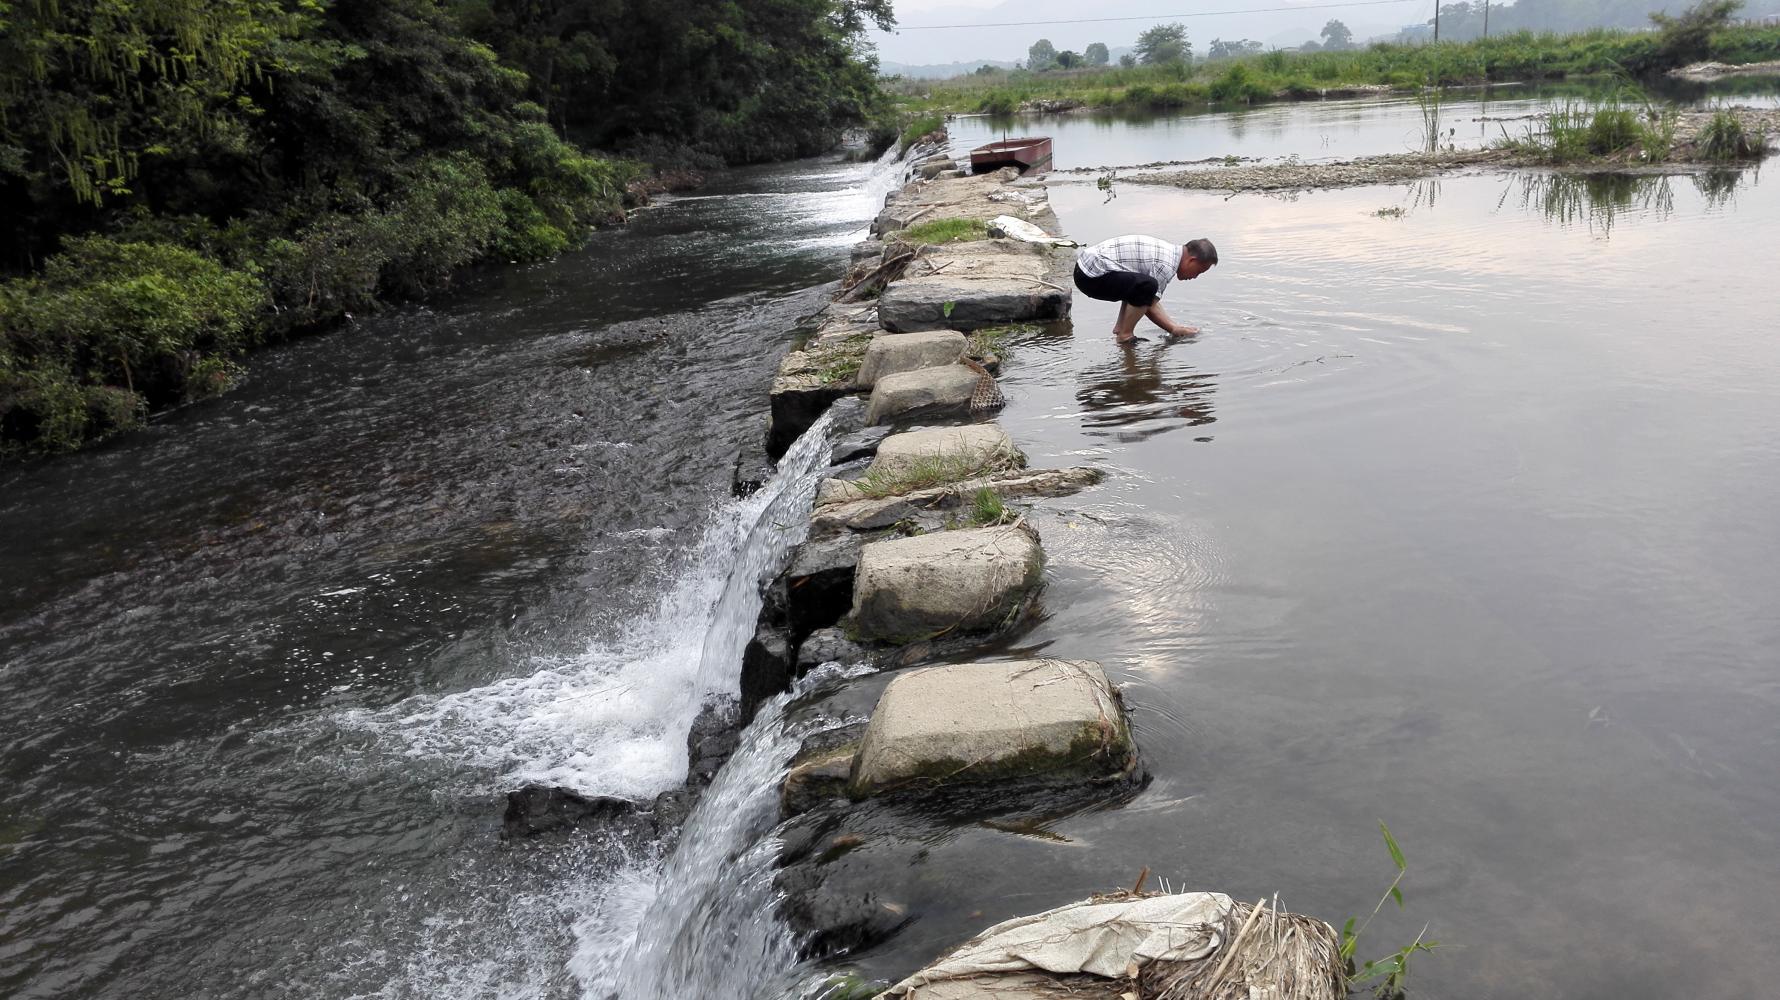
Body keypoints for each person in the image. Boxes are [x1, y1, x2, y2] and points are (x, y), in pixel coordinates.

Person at [1073, 235, 1217, 344]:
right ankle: (1125, 335)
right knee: (1147, 286)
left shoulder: (1169, 253)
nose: (1195, 277)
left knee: (1139, 286)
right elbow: (1149, 305)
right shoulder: (1166, 265)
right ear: (1191, 260)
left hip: (1086, 269)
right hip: (1090, 276)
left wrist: (1174, 326)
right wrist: (1174, 329)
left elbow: (1147, 300)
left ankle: (1120, 328)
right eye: (1198, 271)